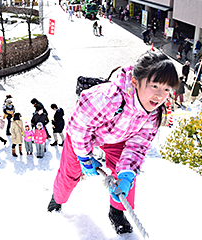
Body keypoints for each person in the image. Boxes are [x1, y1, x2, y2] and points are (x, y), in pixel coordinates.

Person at [47, 51, 179, 235]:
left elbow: (138, 145)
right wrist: (84, 156)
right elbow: (79, 126)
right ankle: (58, 198)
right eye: (154, 85)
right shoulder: (109, 97)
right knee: (70, 171)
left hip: (118, 138)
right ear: (135, 82)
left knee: (127, 175)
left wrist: (126, 174)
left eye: (166, 89)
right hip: (85, 134)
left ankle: (117, 211)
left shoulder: (153, 113)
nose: (159, 95)